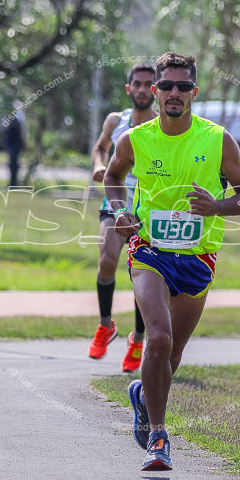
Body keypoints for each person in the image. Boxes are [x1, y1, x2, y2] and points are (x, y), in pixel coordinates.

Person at [105, 52, 240, 471]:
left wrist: (216, 207)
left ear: (194, 91)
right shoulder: (135, 139)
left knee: (169, 359)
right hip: (149, 251)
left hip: (198, 256)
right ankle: (159, 436)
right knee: (157, 339)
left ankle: (141, 394)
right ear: (154, 91)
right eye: (167, 86)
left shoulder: (218, 139)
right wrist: (120, 211)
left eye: (183, 86)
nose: (175, 93)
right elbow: (112, 177)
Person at [88, 63, 157, 370]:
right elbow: (100, 148)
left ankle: (138, 339)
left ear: (155, 90)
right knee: (106, 261)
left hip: (146, 208)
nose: (142, 89)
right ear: (128, 88)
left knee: (141, 273)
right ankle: (106, 325)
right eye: (137, 84)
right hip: (115, 202)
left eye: (148, 84)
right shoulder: (116, 121)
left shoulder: (160, 127)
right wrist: (98, 166)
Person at [4, 106, 26, 187]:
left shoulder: (16, 123)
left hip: (15, 146)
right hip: (10, 146)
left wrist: (23, 144)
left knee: (13, 165)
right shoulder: (9, 121)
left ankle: (14, 183)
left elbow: (20, 135)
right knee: (11, 165)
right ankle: (12, 182)